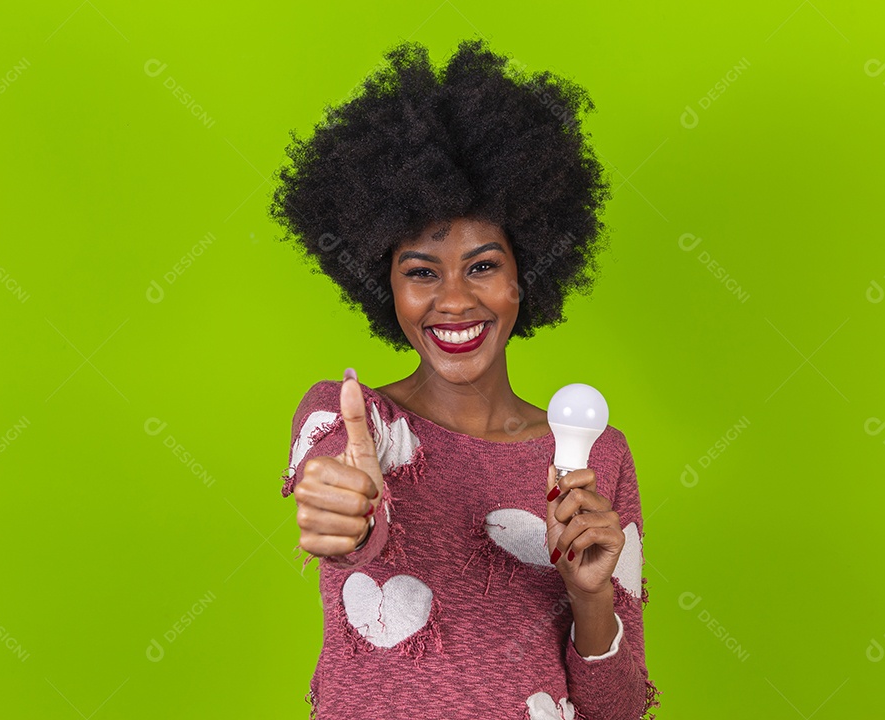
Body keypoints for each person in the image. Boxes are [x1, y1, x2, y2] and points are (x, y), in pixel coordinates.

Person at [272, 37, 660, 720]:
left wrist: (591, 595)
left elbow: (619, 708)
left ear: (525, 274)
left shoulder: (599, 457)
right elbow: (355, 521)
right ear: (383, 286)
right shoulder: (349, 418)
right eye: (421, 271)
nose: (454, 301)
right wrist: (352, 519)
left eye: (482, 266)